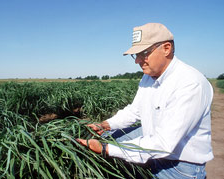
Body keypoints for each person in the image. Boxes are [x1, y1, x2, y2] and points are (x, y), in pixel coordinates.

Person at [76, 23, 213, 178]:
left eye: (144, 53)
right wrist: (106, 125)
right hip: (153, 145)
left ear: (166, 48)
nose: (137, 61)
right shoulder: (148, 76)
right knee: (107, 137)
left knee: (109, 147)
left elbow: (163, 144)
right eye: (136, 55)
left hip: (177, 167)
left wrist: (105, 149)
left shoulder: (190, 84)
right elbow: (135, 110)